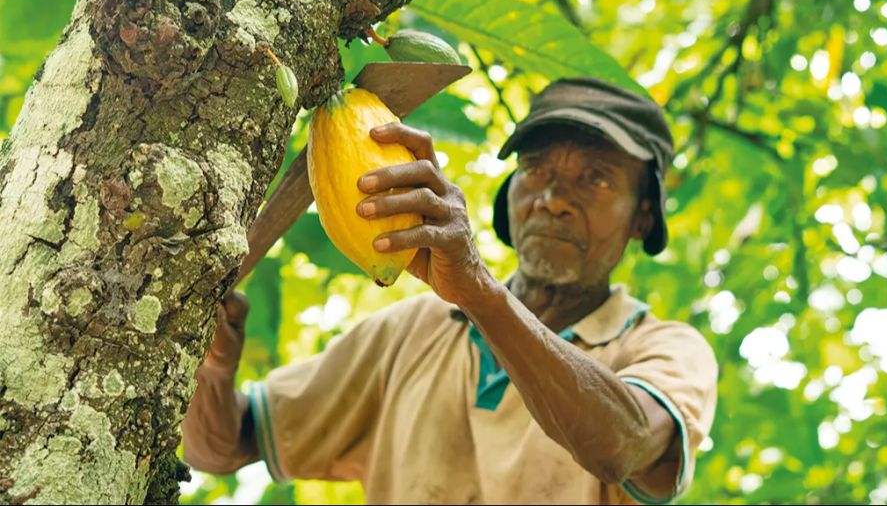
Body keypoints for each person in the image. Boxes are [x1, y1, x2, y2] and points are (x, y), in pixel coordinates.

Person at [182, 77, 718, 505]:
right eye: (536, 169)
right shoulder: (410, 332)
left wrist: (479, 290)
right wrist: (213, 368)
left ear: (643, 216)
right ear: (511, 192)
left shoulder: (666, 349)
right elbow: (222, 445)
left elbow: (619, 447)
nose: (554, 199)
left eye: (596, 178)